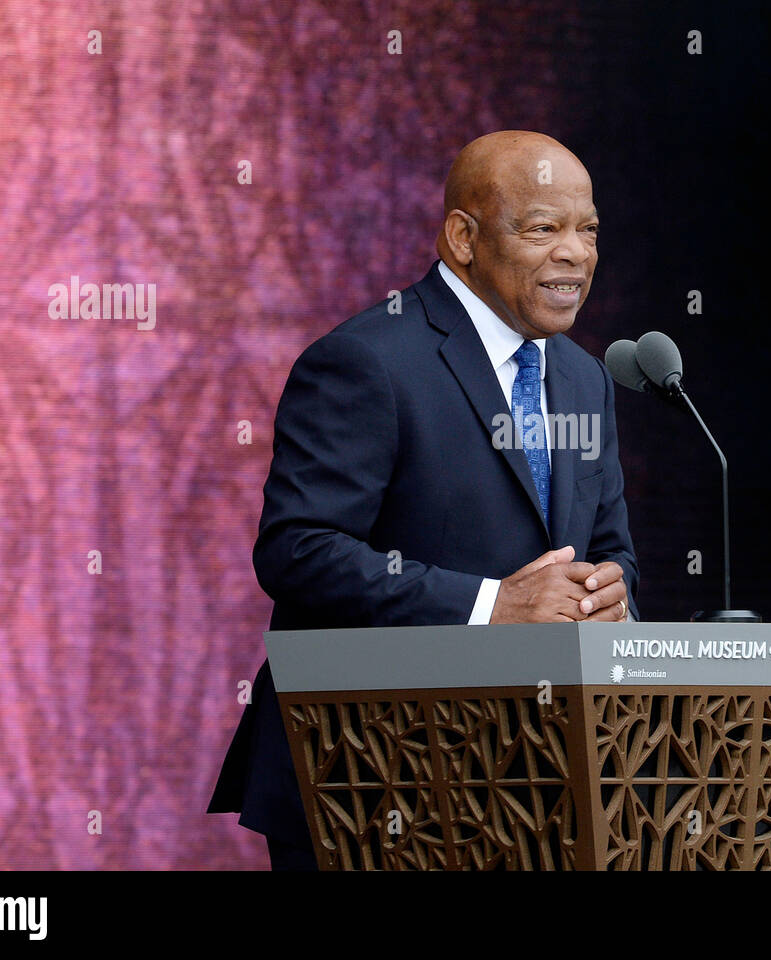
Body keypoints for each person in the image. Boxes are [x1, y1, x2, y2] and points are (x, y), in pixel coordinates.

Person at [207, 130, 639, 869]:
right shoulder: (365, 360)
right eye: (544, 228)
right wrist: (490, 607)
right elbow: (298, 552)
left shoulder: (584, 379)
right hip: (371, 774)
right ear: (463, 238)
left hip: (531, 780)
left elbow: (612, 549)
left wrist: (611, 594)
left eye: (588, 230)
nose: (575, 253)